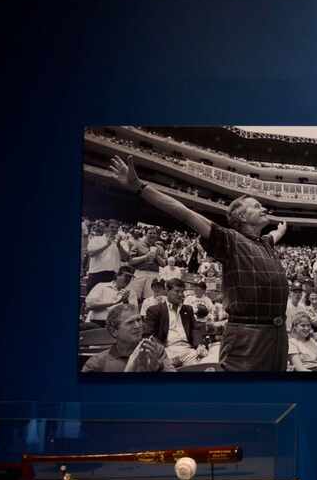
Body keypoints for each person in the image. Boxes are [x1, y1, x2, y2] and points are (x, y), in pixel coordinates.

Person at [109, 155, 289, 372]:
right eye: (256, 206)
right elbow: (184, 213)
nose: (264, 209)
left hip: (278, 335)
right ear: (240, 216)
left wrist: (281, 229)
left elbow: (274, 235)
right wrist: (139, 187)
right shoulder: (229, 239)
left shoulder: (266, 243)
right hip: (248, 335)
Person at [82, 304, 175, 372]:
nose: (138, 326)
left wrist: (159, 367)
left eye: (139, 320)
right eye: (130, 322)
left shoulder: (156, 351)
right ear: (114, 331)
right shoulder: (98, 363)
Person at [144, 278, 208, 368]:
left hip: (187, 350)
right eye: (177, 291)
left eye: (182, 292)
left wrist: (199, 345)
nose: (180, 295)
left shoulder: (187, 309)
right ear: (167, 291)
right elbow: (149, 334)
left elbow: (195, 329)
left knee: (205, 365)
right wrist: (162, 354)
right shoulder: (155, 310)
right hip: (167, 350)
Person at [85, 219, 129, 293]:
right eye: (112, 227)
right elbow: (91, 254)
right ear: (106, 228)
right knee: (91, 300)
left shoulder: (122, 242)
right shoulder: (96, 239)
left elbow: (125, 258)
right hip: (96, 273)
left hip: (113, 275)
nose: (114, 229)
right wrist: (106, 245)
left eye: (116, 228)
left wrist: (119, 245)